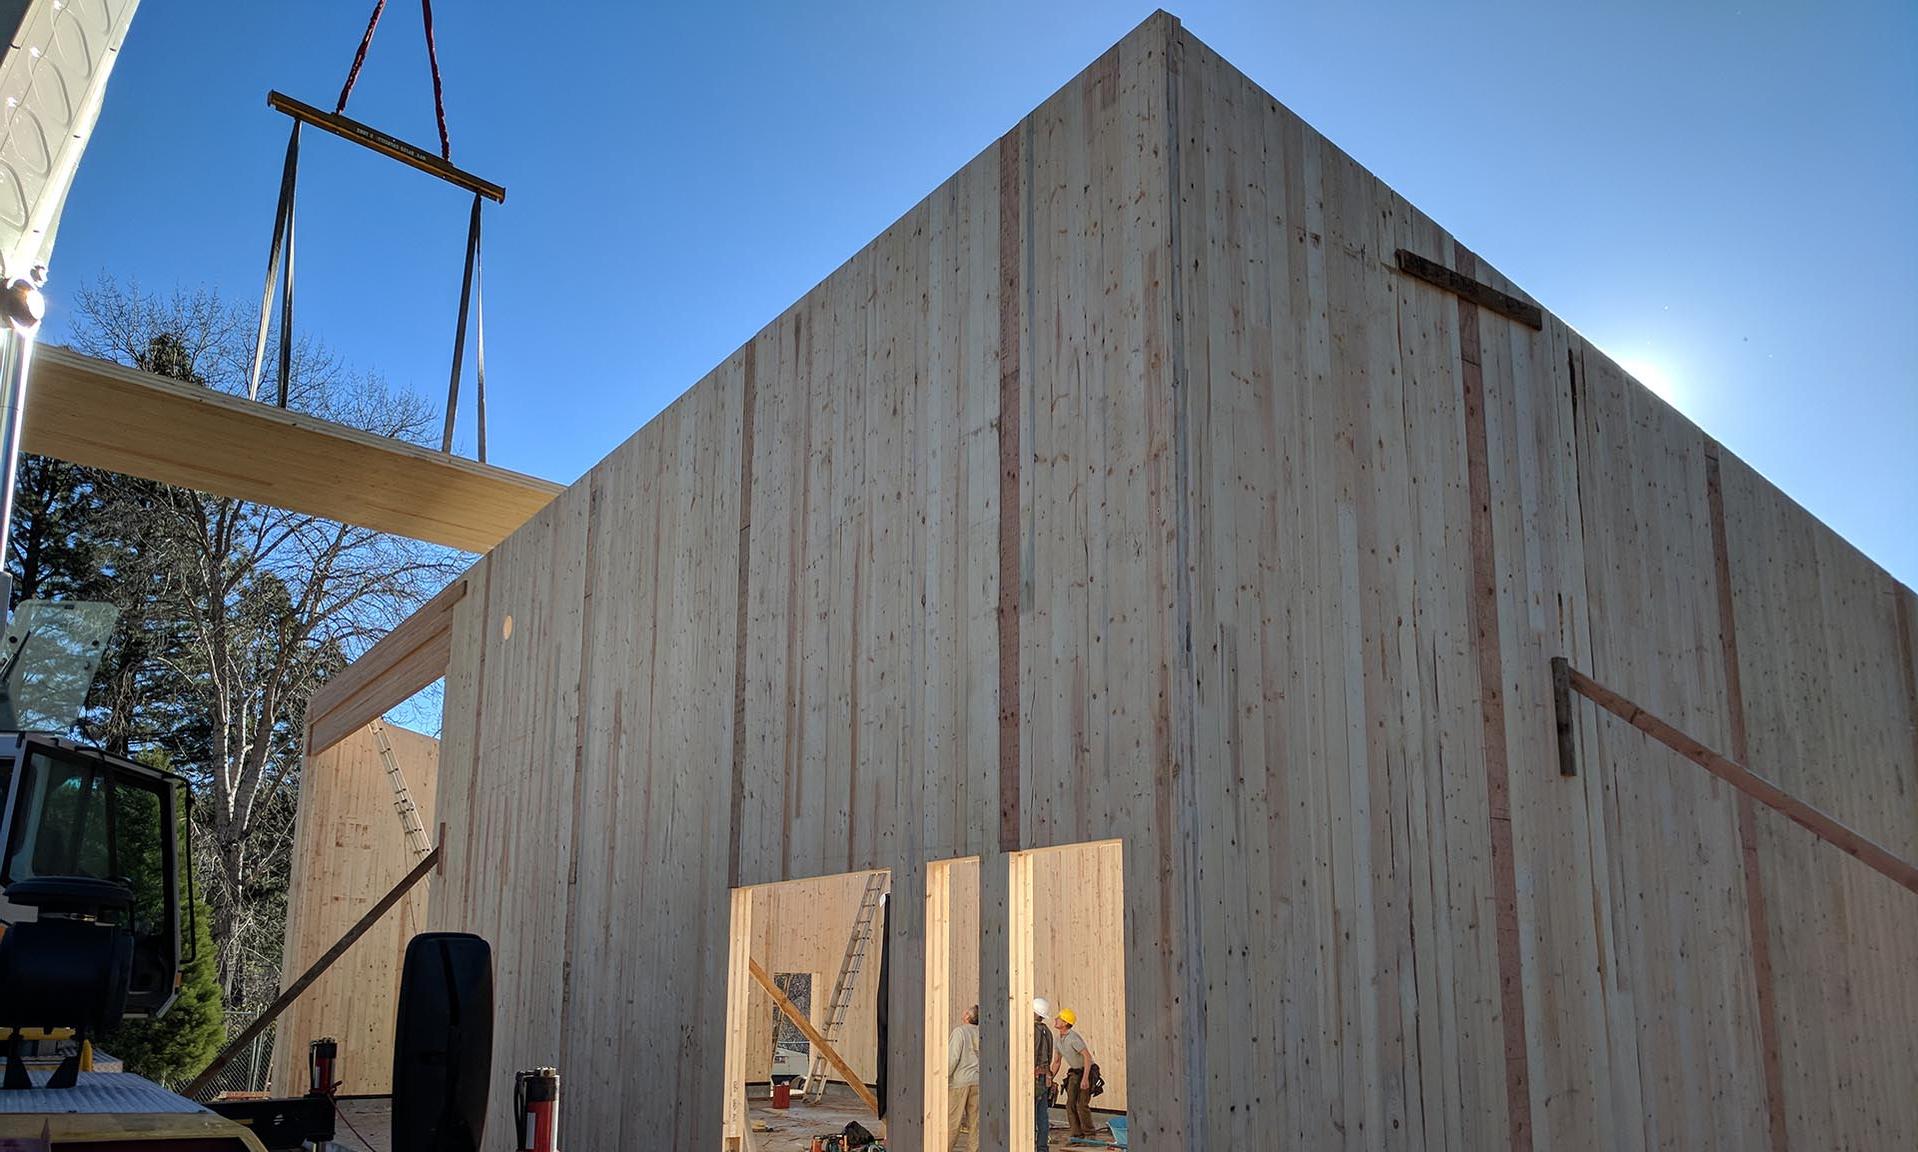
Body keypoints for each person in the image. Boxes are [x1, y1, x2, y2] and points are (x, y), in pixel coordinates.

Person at [1050, 1007, 1096, 1140]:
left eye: (1059, 1018)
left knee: (1081, 1104)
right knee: (1070, 1104)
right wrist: (1050, 1078)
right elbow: (1057, 1062)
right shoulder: (1058, 1040)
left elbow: (1087, 1057)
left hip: (1087, 1071)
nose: (1056, 1019)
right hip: (1074, 1073)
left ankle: (1089, 1134)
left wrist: (1086, 1078)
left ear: (1065, 1023)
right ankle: (1076, 1135)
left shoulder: (1073, 1038)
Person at [946, 1004, 980, 1152]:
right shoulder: (981, 1032)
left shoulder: (959, 1032)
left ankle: (944, 1148)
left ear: (967, 1017)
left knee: (952, 1122)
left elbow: (952, 1058)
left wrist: (943, 1078)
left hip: (960, 1083)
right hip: (978, 1082)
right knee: (976, 1123)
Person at [1033, 996, 1056, 1148]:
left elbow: (1032, 1054)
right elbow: (1049, 1056)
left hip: (1033, 1077)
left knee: (1029, 1115)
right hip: (1043, 1077)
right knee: (1042, 1116)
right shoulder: (1047, 1031)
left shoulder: (1032, 1031)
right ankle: (1042, 1148)